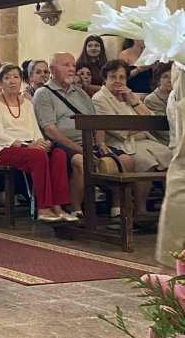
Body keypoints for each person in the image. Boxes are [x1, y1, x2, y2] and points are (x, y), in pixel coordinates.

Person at [0, 64, 75, 224]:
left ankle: (58, 206)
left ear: (21, 81)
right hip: (4, 149)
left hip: (30, 148)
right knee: (38, 156)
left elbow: (35, 130)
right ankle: (43, 208)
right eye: (7, 78)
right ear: (0, 83)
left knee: (59, 154)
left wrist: (42, 142)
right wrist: (27, 146)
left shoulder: (27, 104)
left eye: (16, 77)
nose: (12, 81)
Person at [93, 59, 171, 215]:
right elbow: (117, 129)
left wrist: (134, 102)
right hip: (122, 143)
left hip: (145, 139)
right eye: (113, 77)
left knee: (171, 158)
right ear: (105, 78)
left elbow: (151, 120)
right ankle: (141, 210)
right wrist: (141, 125)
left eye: (122, 77)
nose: (118, 81)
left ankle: (170, 209)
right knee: (147, 162)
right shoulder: (99, 98)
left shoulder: (129, 95)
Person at [33, 52, 97, 218]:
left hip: (89, 143)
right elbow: (50, 130)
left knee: (125, 160)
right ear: (53, 69)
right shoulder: (43, 94)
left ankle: (119, 209)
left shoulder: (80, 93)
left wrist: (101, 144)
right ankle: (76, 209)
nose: (71, 69)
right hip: (61, 146)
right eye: (66, 65)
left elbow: (96, 121)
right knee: (80, 161)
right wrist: (80, 149)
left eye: (73, 65)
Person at [144, 63, 173, 145]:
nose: (170, 80)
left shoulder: (180, 95)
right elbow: (163, 130)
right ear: (158, 81)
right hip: (166, 142)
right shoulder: (151, 100)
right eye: (165, 76)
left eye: (173, 75)